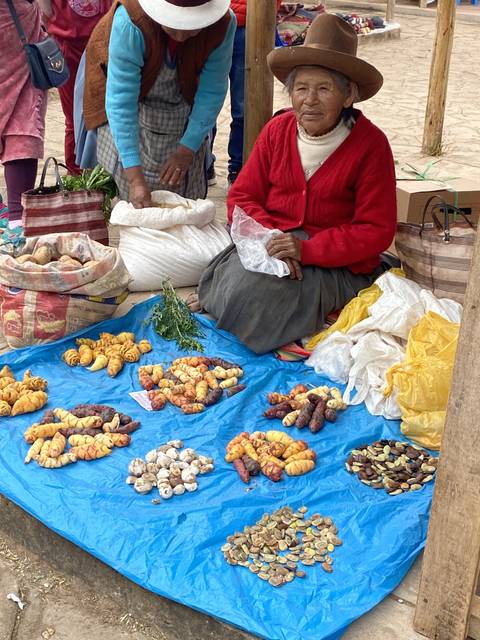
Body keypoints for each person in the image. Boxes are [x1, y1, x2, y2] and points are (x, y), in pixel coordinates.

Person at [193, 13, 397, 354]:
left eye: (324, 88)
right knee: (231, 283)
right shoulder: (277, 131)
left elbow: (376, 229)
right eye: (301, 88)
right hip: (273, 243)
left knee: (262, 299)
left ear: (348, 96)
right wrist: (271, 239)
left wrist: (307, 250)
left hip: (333, 259)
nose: (309, 100)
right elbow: (243, 196)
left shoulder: (371, 145)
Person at [83, 0, 236, 208]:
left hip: (184, 100)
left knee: (185, 203)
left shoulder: (222, 24)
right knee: (134, 195)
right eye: (174, 25)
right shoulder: (131, 21)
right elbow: (121, 102)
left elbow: (212, 91)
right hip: (133, 104)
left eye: (191, 28)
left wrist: (186, 149)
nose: (181, 36)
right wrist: (135, 179)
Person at [207, 0, 283, 187]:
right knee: (206, 103)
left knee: (245, 106)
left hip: (248, 28)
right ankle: (205, 163)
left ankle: (239, 168)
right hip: (212, 24)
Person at [38, 0, 111, 174]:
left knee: (105, 114)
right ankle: (76, 174)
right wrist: (53, 18)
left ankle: (102, 173)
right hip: (67, 44)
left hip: (103, 42)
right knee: (72, 117)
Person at [0, 0, 47, 228]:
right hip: (16, 36)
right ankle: (17, 219)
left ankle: (16, 218)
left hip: (16, 31)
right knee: (23, 124)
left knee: (23, 125)